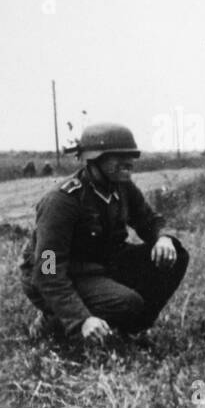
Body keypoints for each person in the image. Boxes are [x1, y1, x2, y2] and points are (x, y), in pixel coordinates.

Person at [20, 122, 189, 344]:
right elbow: (47, 269)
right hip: (62, 275)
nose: (128, 162)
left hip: (101, 265)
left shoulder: (122, 187)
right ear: (94, 159)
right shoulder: (62, 202)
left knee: (175, 253)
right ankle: (55, 322)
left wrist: (162, 237)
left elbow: (149, 220)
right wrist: (81, 320)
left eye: (130, 155)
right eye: (118, 156)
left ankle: (129, 330)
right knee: (127, 303)